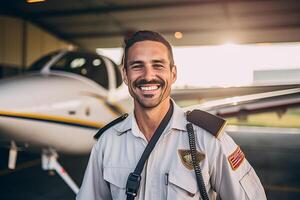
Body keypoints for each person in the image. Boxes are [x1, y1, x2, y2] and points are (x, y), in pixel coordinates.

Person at [76, 30, 267, 200]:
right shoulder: (107, 143)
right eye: (137, 66)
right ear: (125, 75)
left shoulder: (208, 140)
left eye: (158, 65)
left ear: (173, 74)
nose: (148, 75)